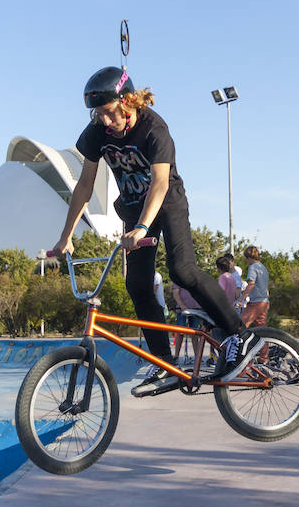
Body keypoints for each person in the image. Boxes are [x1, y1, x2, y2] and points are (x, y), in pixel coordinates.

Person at [52, 66, 256, 397]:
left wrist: (144, 226)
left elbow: (160, 182)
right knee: (137, 285)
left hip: (167, 203)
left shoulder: (153, 128)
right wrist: (66, 236)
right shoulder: (95, 134)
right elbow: (84, 185)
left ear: (127, 101)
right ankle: (164, 362)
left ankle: (238, 335)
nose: (104, 121)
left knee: (182, 270)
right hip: (133, 208)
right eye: (98, 114)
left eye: (109, 113)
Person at [237, 246, 270, 327]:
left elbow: (251, 284)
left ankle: (238, 340)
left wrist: (241, 300)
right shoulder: (263, 267)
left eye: (246, 258)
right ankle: (266, 340)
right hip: (265, 302)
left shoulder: (252, 267)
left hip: (256, 302)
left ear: (249, 257)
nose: (246, 261)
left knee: (241, 325)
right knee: (262, 328)